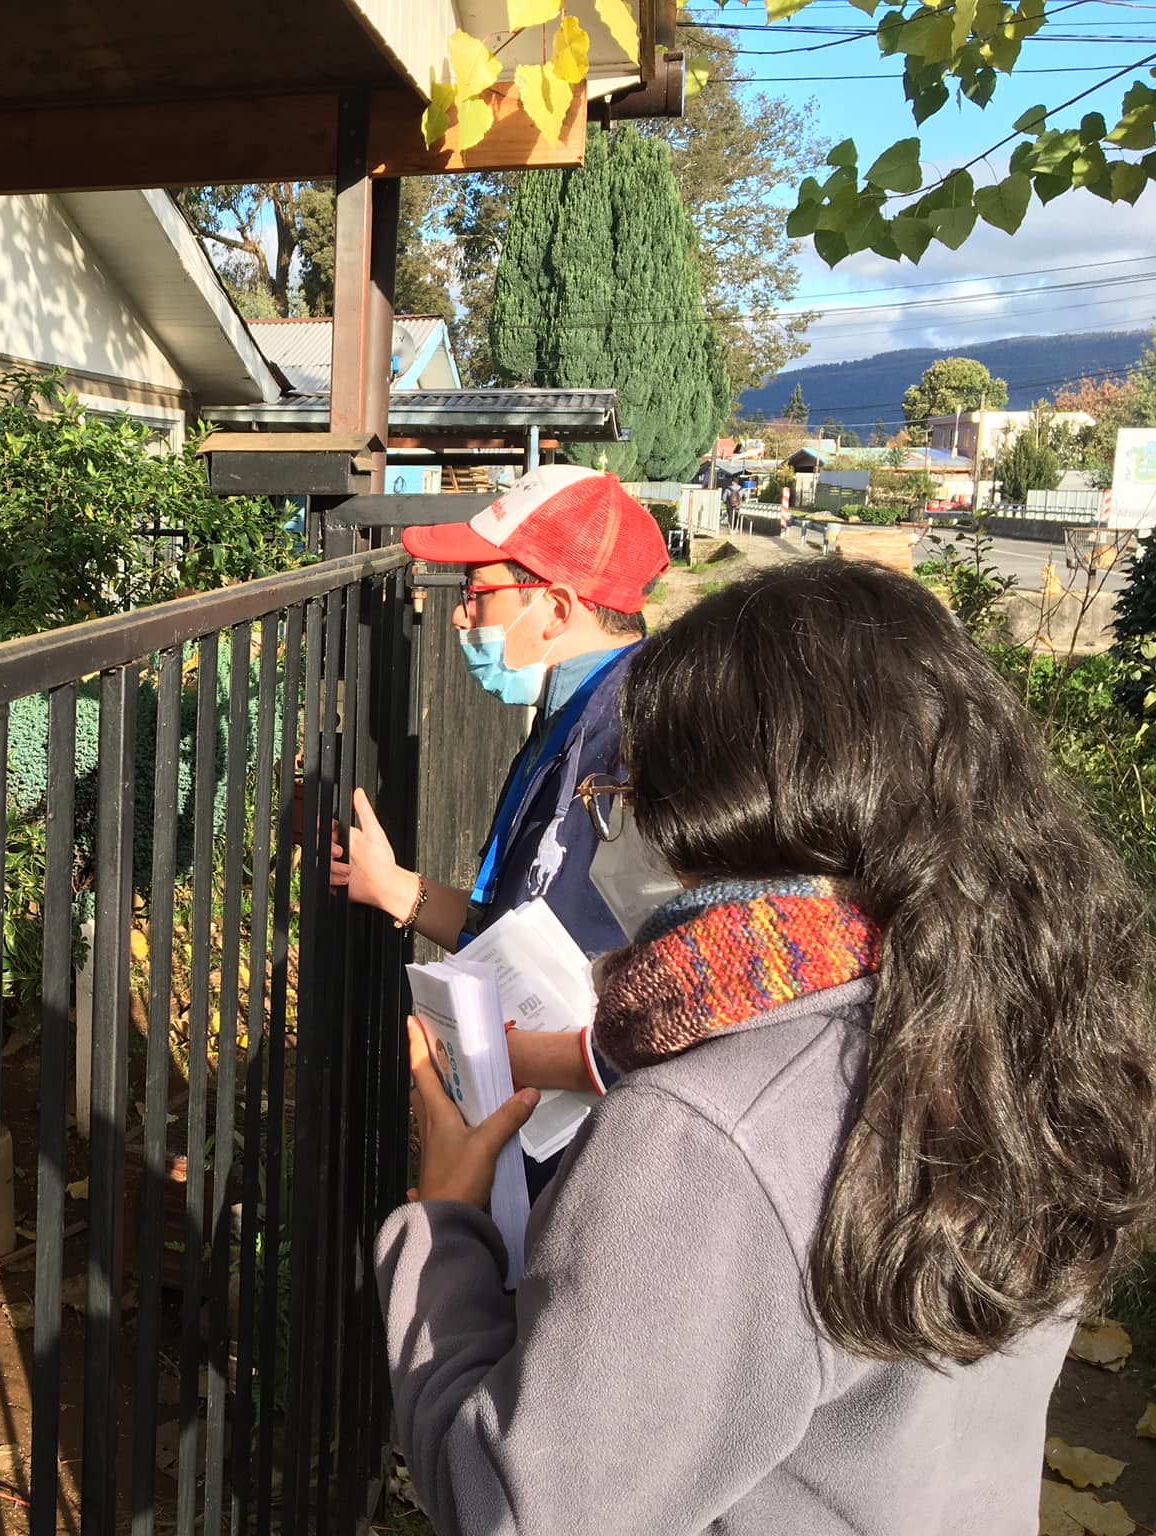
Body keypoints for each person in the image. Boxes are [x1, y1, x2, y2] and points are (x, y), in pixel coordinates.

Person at [378, 560, 1156, 1532]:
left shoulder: (703, 1132)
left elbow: (517, 1511)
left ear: (708, 808)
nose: (615, 822)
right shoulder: (1011, 1024)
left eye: (625, 791)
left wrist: (442, 1224)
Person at [333, 466, 667, 1137]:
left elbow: (681, 1006)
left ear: (559, 608)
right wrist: (396, 888)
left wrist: (497, 1058)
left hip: (599, 1146)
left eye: (479, 592)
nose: (459, 613)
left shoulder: (643, 740)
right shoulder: (578, 711)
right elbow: (521, 921)